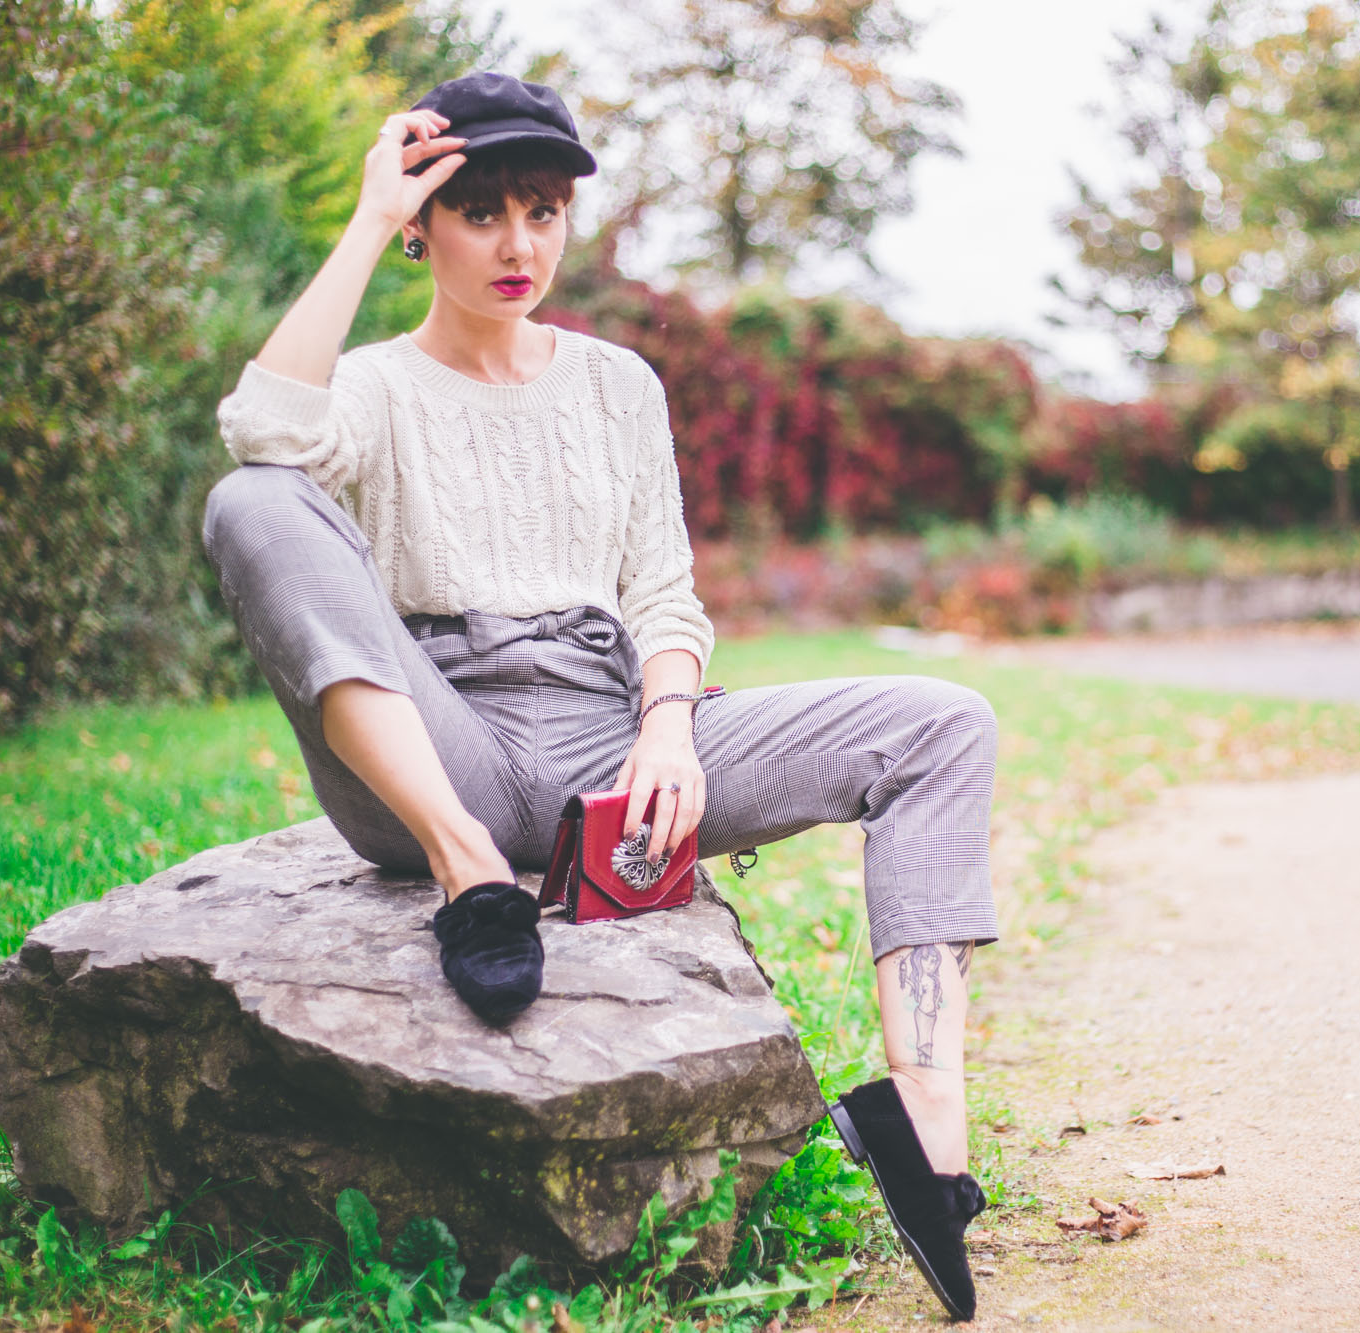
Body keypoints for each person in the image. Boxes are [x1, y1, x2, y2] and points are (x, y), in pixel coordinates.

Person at [200, 72, 996, 1320]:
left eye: (542, 211)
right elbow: (260, 431)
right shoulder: (374, 387)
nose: (517, 245)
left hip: (612, 745)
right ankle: (470, 870)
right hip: (432, 748)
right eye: (479, 213)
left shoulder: (619, 385)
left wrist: (668, 728)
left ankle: (923, 1129)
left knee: (942, 724)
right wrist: (363, 215)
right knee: (252, 498)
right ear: (423, 226)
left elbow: (663, 592)